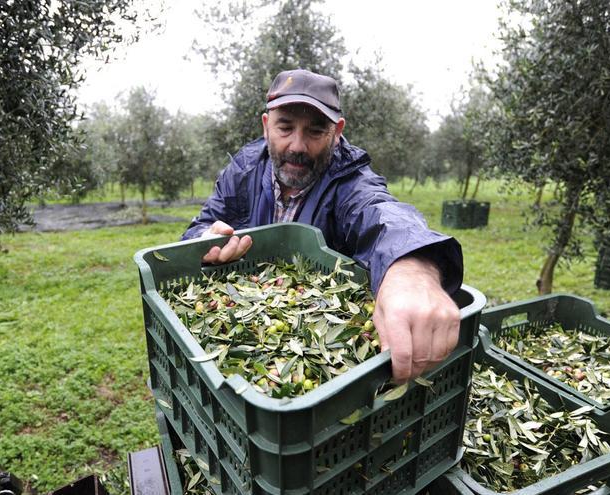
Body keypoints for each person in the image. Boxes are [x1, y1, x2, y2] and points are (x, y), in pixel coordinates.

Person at [182, 69, 463, 382]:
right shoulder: (243, 170)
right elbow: (203, 224)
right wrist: (204, 240)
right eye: (285, 128)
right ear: (266, 126)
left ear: (337, 131)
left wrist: (412, 269)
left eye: (316, 132)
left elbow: (379, 212)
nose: (298, 146)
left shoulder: (350, 182)